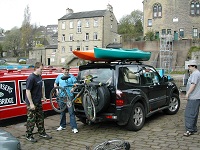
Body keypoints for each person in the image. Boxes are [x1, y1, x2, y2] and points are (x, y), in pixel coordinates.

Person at [25, 62, 52, 142]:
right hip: (32, 102)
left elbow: (42, 86)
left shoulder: (39, 76)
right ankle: (29, 135)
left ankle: (42, 132)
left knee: (40, 118)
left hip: (38, 101)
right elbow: (28, 91)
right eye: (41, 69)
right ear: (36, 68)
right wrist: (31, 103)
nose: (42, 71)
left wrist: (43, 96)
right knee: (31, 119)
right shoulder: (31, 78)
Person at [54, 64, 78, 133]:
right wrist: (57, 90)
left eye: (68, 70)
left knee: (71, 112)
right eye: (65, 70)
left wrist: (73, 88)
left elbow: (76, 84)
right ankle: (62, 125)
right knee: (62, 111)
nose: (67, 71)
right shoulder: (59, 76)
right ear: (63, 70)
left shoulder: (71, 76)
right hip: (61, 97)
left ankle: (74, 127)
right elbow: (55, 83)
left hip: (69, 96)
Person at [183, 60, 200, 136]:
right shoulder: (196, 73)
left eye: (189, 66)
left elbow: (193, 85)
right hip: (196, 96)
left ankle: (189, 130)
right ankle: (193, 128)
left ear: (193, 66)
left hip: (193, 97)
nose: (188, 68)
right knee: (194, 113)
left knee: (189, 113)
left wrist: (187, 94)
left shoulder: (195, 74)